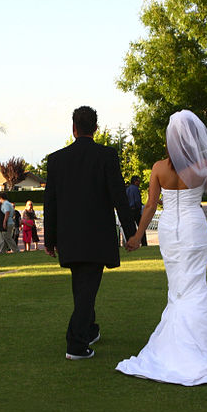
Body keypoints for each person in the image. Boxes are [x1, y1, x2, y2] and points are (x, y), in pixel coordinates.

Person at [117, 110, 207, 386]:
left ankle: (176, 345)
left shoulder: (159, 168)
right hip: (194, 228)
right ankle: (197, 348)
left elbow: (150, 206)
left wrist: (136, 236)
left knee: (178, 287)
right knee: (194, 283)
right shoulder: (203, 165)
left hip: (170, 229)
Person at [44, 105, 137, 360]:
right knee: (86, 289)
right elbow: (118, 196)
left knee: (82, 286)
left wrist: (49, 239)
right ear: (96, 128)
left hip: (69, 236)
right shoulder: (106, 156)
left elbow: (50, 203)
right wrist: (132, 232)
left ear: (73, 128)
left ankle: (90, 329)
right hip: (97, 235)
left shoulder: (56, 160)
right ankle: (75, 344)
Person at [126, 175, 147, 246]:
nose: (139, 183)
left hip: (129, 210)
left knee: (131, 227)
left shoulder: (128, 189)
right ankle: (144, 243)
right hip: (136, 210)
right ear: (135, 181)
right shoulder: (135, 189)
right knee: (141, 227)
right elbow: (137, 201)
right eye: (138, 181)